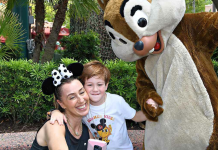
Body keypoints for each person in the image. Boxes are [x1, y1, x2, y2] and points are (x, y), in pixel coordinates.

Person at [49, 60, 158, 150]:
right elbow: (67, 113)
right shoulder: (83, 107)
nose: (95, 89)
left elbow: (136, 116)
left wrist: (151, 109)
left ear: (106, 85)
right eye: (90, 85)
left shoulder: (117, 101)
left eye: (100, 84)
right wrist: (56, 112)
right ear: (83, 86)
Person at [31, 63, 93, 150]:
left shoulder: (86, 131)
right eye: (72, 97)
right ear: (61, 103)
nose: (81, 100)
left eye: (82, 92)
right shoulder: (55, 125)